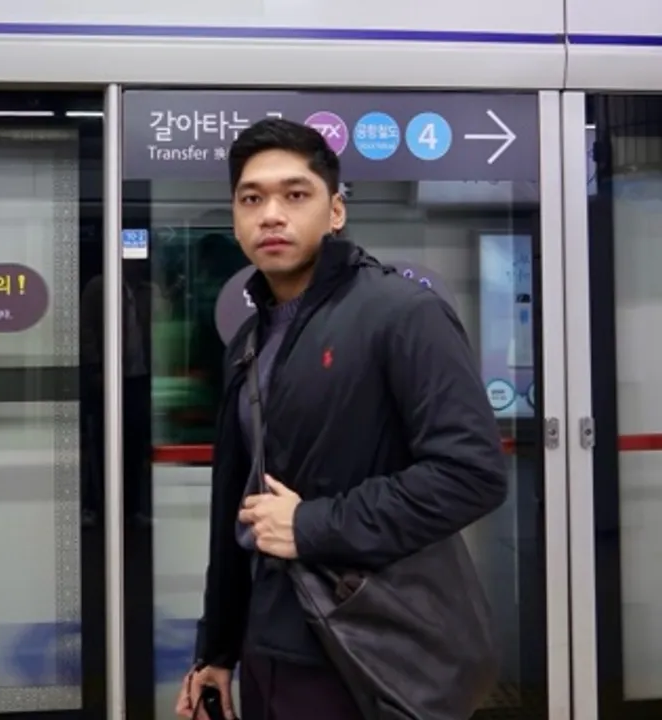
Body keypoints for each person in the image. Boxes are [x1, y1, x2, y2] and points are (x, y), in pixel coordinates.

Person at [176, 118, 507, 720]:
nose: (271, 215)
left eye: (295, 194)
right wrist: (216, 649)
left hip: (366, 642)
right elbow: (237, 505)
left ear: (335, 212)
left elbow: (471, 474)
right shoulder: (248, 341)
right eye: (252, 199)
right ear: (235, 218)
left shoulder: (402, 313)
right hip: (268, 643)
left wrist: (313, 524)